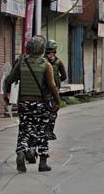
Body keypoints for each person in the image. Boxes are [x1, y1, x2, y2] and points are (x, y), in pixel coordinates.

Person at [4, 36, 62, 173]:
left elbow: (10, 80)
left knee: (24, 128)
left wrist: (7, 95)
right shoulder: (46, 65)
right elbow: (52, 86)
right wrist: (57, 102)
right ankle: (42, 163)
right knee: (42, 130)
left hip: (24, 103)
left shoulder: (22, 63)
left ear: (28, 48)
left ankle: (21, 152)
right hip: (40, 104)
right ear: (42, 49)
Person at [44, 40, 67, 141]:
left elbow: (64, 76)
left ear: (55, 52)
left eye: (51, 52)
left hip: (54, 92)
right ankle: (44, 131)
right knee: (44, 111)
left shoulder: (58, 62)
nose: (49, 54)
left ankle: (49, 131)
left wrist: (56, 82)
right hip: (44, 91)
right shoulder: (43, 62)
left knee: (53, 112)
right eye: (48, 52)